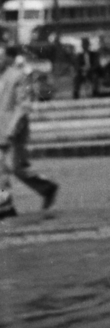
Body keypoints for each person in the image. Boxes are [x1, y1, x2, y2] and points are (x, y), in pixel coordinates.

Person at [0, 43, 58, 220]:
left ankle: (6, 205)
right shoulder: (3, 78)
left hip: (15, 129)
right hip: (3, 128)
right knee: (13, 168)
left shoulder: (19, 77)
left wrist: (10, 132)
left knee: (9, 168)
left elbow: (23, 106)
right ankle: (45, 188)